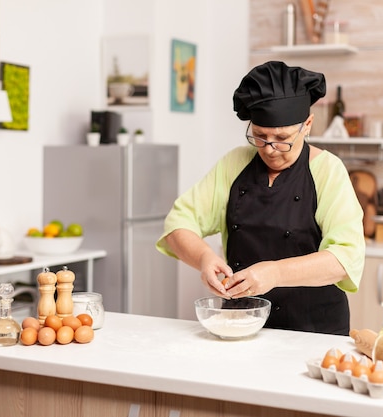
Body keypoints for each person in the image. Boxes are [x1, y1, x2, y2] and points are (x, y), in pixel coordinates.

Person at [156, 61, 365, 335]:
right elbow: (178, 224)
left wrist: (275, 273)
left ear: (307, 125)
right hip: (240, 325)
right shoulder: (234, 164)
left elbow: (345, 258)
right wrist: (204, 258)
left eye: (282, 139)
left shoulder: (327, 170)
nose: (270, 149)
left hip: (313, 330)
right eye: (260, 136)